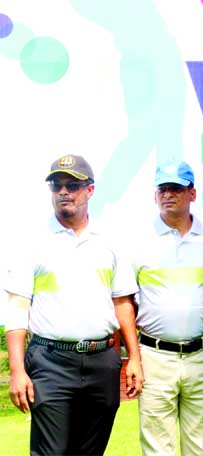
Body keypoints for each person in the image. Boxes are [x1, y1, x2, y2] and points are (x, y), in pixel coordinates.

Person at [4, 154, 143, 455]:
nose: (63, 192)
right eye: (56, 186)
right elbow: (17, 310)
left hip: (102, 362)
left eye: (72, 185)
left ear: (90, 190)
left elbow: (122, 303)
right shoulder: (32, 241)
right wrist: (17, 370)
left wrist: (133, 357)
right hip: (50, 362)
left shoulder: (110, 241)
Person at [132, 161, 203, 455]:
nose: (169, 195)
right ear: (155, 196)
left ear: (192, 193)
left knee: (202, 447)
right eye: (163, 189)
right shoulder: (137, 241)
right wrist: (132, 358)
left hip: (202, 356)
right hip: (154, 358)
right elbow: (124, 302)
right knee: (157, 449)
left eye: (177, 189)